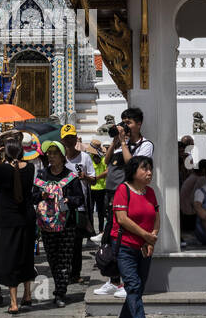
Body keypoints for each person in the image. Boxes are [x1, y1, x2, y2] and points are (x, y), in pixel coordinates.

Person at [94, 108, 153, 299]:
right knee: (112, 237)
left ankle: (127, 283)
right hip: (116, 195)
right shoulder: (121, 144)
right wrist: (115, 142)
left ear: (139, 124)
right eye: (124, 122)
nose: (126, 126)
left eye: (129, 122)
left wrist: (125, 143)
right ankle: (113, 280)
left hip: (134, 196)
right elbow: (106, 160)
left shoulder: (146, 145)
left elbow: (133, 166)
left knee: (128, 239)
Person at [0, 136, 36, 313]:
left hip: (8, 221)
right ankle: (27, 294)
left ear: (6, 152)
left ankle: (14, 303)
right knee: (26, 256)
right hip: (26, 218)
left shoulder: (3, 170)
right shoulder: (30, 168)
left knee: (10, 258)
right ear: (21, 151)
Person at [111, 155, 159, 318]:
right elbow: (122, 219)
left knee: (138, 286)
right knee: (133, 284)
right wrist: (145, 235)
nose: (149, 173)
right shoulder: (123, 190)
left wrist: (152, 237)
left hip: (145, 247)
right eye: (144, 169)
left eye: (150, 169)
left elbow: (156, 216)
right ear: (133, 172)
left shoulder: (150, 192)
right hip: (125, 246)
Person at [33, 141, 86, 306]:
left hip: (67, 224)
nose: (51, 156)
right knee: (52, 258)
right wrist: (41, 196)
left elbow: (80, 199)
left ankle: (60, 293)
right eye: (49, 153)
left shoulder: (70, 177)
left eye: (55, 153)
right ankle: (59, 287)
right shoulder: (42, 175)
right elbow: (33, 197)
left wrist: (68, 200)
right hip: (47, 224)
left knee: (64, 259)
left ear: (62, 157)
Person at [61, 124, 93, 283]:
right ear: (62, 140)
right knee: (63, 240)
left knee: (76, 241)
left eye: (72, 137)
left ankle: (75, 272)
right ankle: (64, 271)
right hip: (63, 204)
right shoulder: (60, 158)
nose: (70, 141)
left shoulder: (85, 157)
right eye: (67, 138)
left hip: (80, 205)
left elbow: (93, 179)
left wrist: (85, 177)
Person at [180, 157, 206, 235]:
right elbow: (194, 198)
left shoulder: (193, 176)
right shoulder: (201, 179)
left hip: (185, 211)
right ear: (204, 170)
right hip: (190, 214)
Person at [88, 139, 108, 234]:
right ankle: (91, 231)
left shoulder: (104, 159)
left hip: (101, 189)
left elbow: (107, 171)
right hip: (91, 189)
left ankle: (101, 231)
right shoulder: (90, 158)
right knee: (90, 211)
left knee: (101, 212)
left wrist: (97, 177)